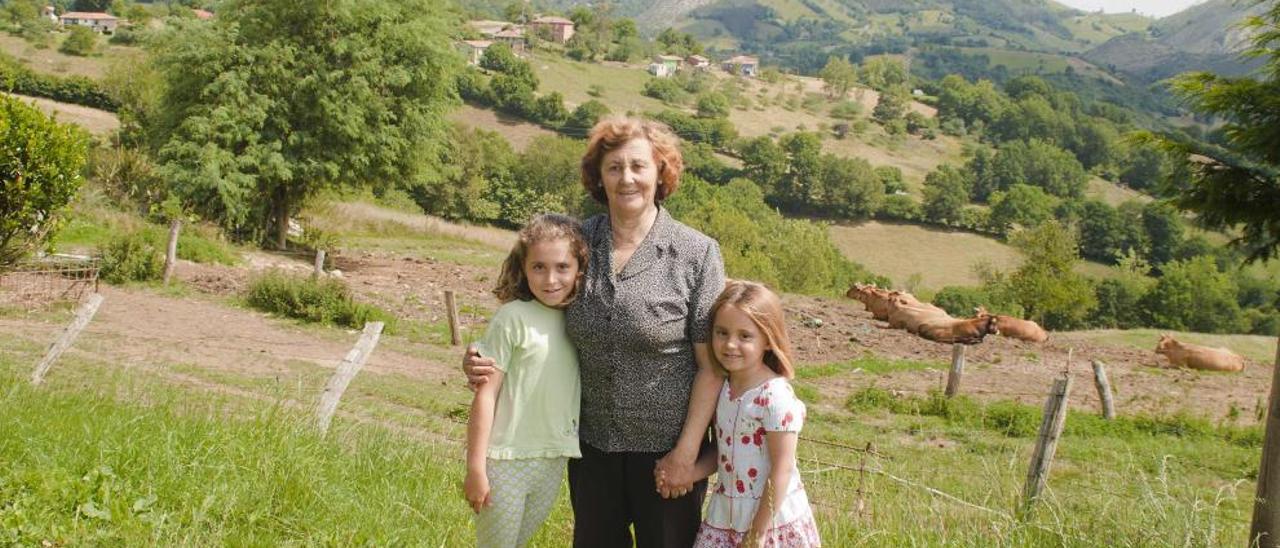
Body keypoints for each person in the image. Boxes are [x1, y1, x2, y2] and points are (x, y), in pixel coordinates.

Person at [465, 116, 726, 547]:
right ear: (598, 177)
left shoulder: (696, 253)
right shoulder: (576, 242)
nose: (627, 178)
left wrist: (686, 454)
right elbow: (524, 309)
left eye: (638, 166)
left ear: (661, 171)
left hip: (665, 453)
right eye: (614, 167)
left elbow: (711, 368)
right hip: (590, 448)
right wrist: (479, 356)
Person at [463, 214, 589, 548]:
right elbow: (486, 395)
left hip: (553, 458)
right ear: (523, 267)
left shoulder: (580, 320)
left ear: (580, 268)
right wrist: (475, 467)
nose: (551, 279)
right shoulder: (512, 317)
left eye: (563, 267)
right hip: (505, 459)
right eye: (539, 267)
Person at [691, 280, 820, 547]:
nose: (730, 345)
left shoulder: (774, 396)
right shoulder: (723, 389)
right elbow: (724, 453)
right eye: (722, 333)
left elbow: (782, 468)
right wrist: (688, 473)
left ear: (768, 341)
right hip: (726, 514)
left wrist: (758, 533)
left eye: (745, 336)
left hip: (769, 520)